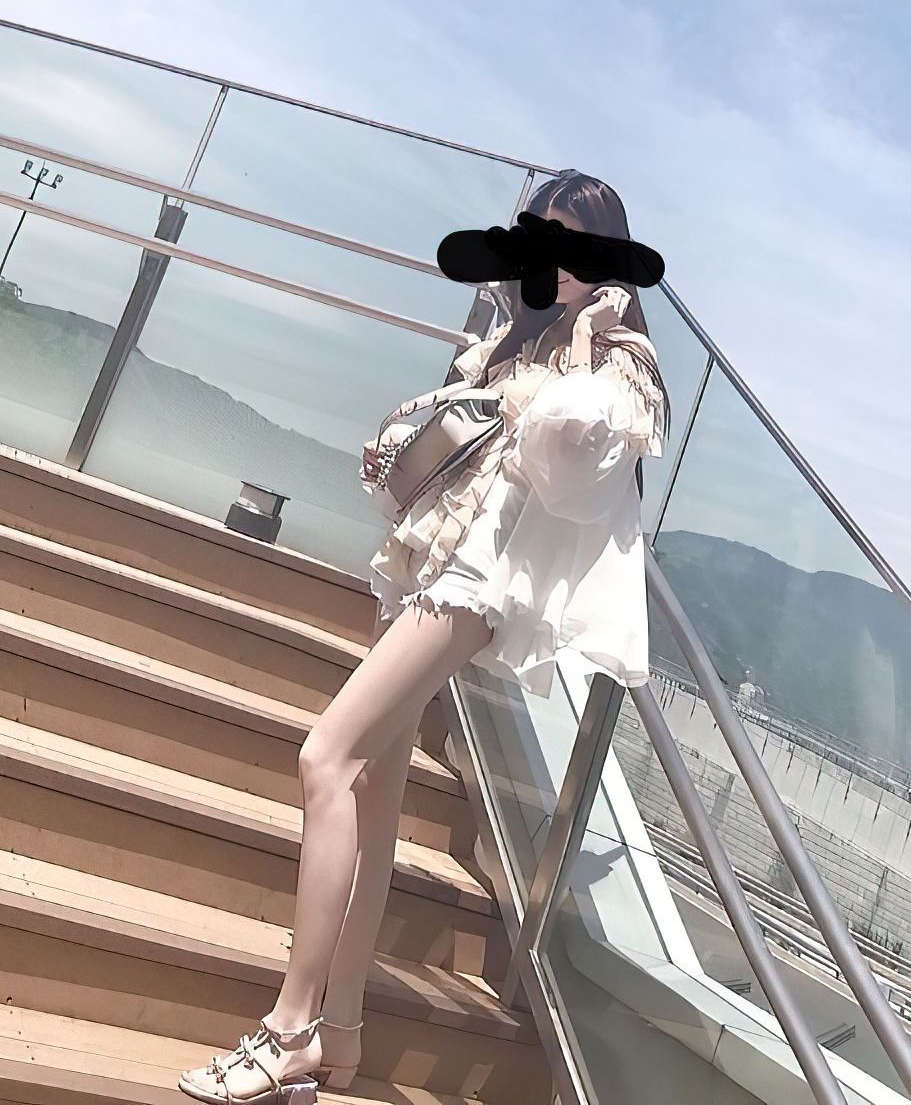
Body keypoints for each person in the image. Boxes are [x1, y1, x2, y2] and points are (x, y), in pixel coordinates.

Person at [179, 170, 667, 1102]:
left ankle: (288, 1028)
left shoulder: (616, 363)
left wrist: (584, 336)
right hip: (423, 568)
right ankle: (341, 1034)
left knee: (325, 756)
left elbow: (571, 463)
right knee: (372, 795)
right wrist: (399, 458)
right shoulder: (507, 343)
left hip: (472, 588)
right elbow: (458, 465)